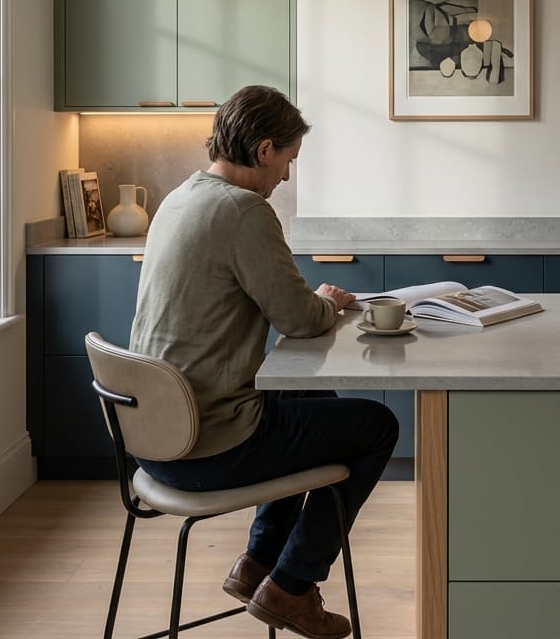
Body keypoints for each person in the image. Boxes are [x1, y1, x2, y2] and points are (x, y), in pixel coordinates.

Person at [130, 85, 398, 639]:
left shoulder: (181, 197)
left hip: (156, 436)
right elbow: (300, 319)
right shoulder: (244, 210)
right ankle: (292, 586)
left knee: (308, 396)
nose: (286, 178)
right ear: (265, 149)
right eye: (288, 162)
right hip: (208, 448)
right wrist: (330, 302)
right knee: (377, 426)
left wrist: (309, 303)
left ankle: (258, 564)